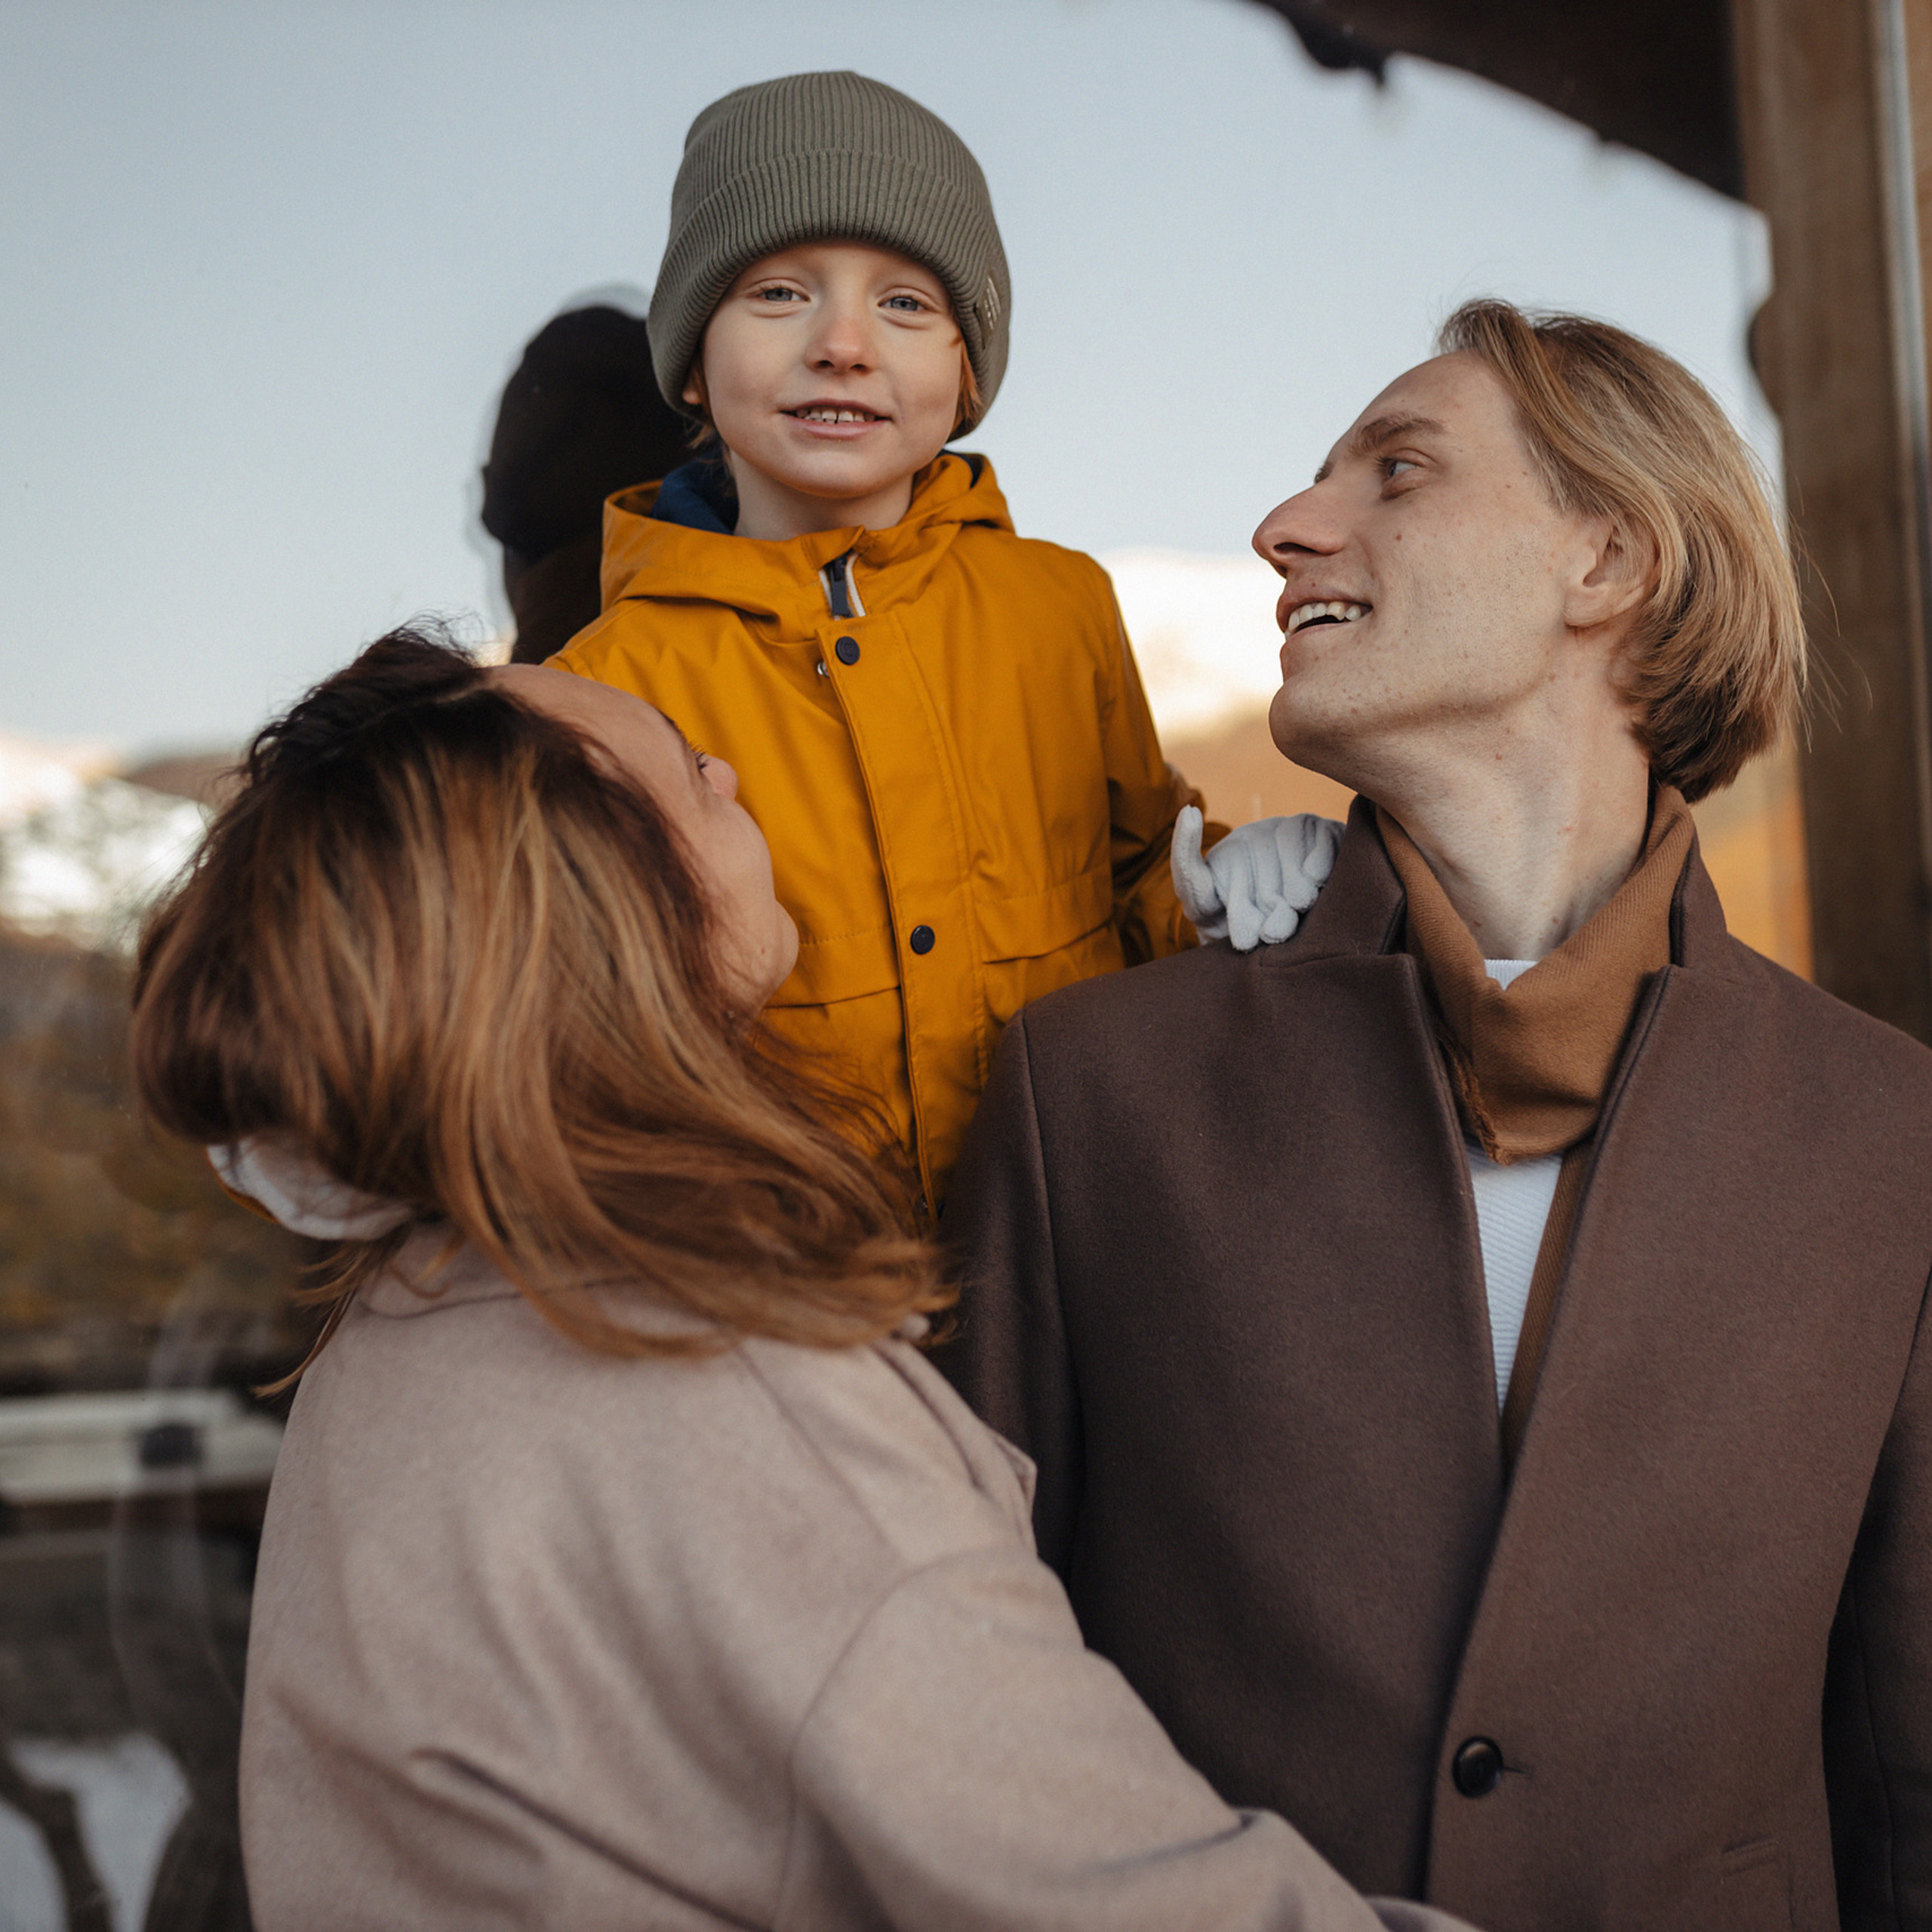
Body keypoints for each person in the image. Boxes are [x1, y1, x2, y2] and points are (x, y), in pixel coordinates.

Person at [128, 628, 1473, 1932]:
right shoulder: (727, 1402)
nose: (731, 776)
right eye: (686, 764)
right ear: (612, 903)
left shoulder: (398, 1331)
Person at [941, 300, 1932, 1932]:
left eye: (1395, 471)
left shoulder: (1891, 1137)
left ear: (1606, 559)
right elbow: (968, 1711)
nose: (1284, 527)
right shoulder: (1088, 1093)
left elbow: (1910, 1785)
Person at [550, 70, 1328, 1216]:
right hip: (795, 1287)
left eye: (907, 304)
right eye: (778, 293)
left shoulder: (1059, 607)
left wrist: (1221, 893)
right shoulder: (605, 689)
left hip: (1080, 1258)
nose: (843, 344)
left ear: (967, 374)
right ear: (691, 362)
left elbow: (1136, 878)